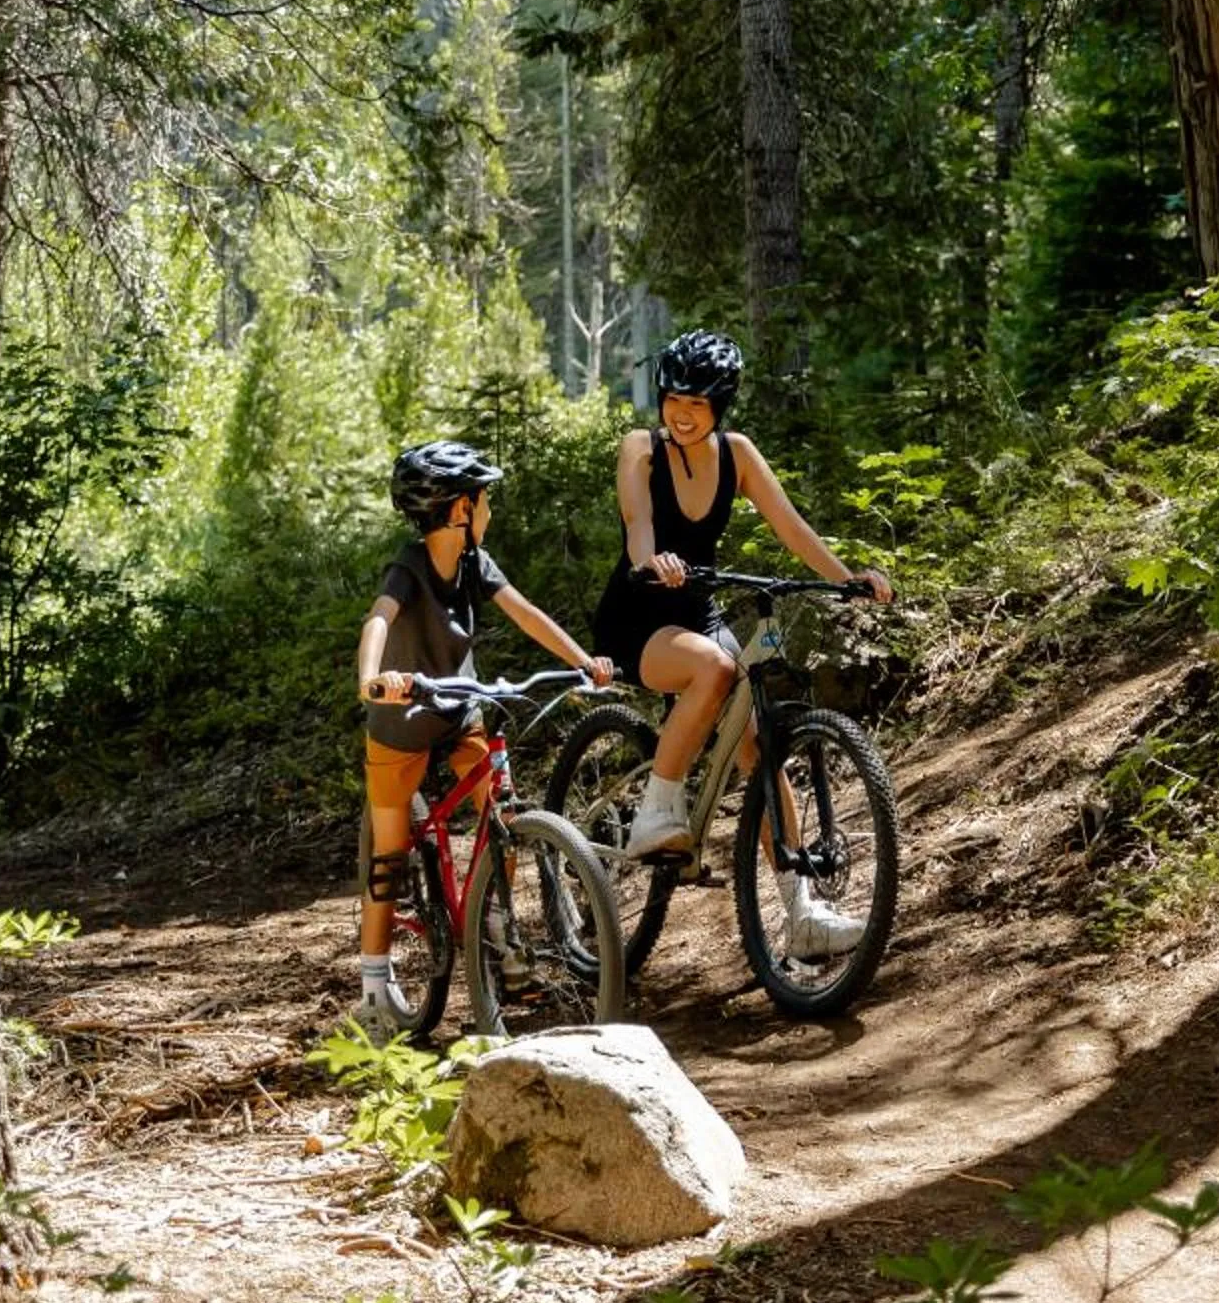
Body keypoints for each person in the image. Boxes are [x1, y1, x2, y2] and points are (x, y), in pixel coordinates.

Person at [590, 328, 893, 958]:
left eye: (697, 404)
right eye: (674, 399)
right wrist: (652, 563)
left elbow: (791, 527)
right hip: (638, 617)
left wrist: (846, 579)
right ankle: (656, 812)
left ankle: (802, 915)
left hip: (697, 613)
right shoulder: (641, 449)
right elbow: (638, 525)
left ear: (720, 407)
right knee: (716, 667)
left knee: (761, 751)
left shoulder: (738, 455)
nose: (682, 413)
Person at [355, 439, 611, 1037]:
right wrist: (373, 680)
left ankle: (494, 923)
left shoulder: (475, 563)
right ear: (459, 510)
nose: (488, 508)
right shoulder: (409, 567)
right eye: (483, 499)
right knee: (388, 857)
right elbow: (378, 619)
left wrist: (582, 660)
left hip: (459, 709)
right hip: (400, 721)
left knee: (502, 813)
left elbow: (524, 612)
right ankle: (373, 990)